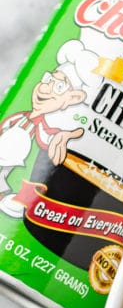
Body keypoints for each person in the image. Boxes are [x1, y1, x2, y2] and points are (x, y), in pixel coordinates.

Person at [0, 39, 99, 217]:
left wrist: (63, 138)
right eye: (48, 80)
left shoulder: (44, 130)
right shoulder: (17, 117)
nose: (45, 89)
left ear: (73, 98)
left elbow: (49, 142)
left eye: (59, 87)